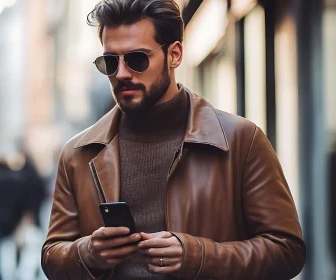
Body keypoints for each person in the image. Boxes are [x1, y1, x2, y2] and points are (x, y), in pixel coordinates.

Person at [41, 1, 306, 279]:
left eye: (137, 59)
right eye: (109, 61)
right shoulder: (78, 153)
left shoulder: (241, 140)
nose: (121, 73)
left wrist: (198, 256)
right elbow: (52, 256)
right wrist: (88, 253)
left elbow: (287, 251)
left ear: (174, 54)